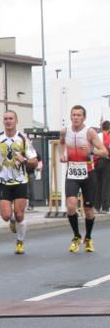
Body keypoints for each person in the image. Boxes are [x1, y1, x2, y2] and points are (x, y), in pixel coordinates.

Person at [0, 110, 38, 255]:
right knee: (6, 216)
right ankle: (12, 220)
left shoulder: (23, 139)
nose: (8, 121)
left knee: (20, 214)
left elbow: (35, 161)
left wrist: (26, 160)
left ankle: (20, 242)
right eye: (6, 119)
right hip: (3, 181)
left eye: (11, 119)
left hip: (20, 180)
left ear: (16, 121)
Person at [60, 105, 108, 253]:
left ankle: (88, 237)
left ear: (84, 118)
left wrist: (92, 151)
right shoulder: (65, 131)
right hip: (72, 173)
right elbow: (61, 143)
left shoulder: (90, 132)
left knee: (88, 210)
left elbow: (104, 151)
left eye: (79, 115)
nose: (76, 117)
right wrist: (62, 154)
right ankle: (76, 236)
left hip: (88, 173)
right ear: (70, 116)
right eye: (73, 115)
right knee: (71, 205)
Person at [94, 120, 110, 213]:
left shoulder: (97, 136)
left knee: (98, 184)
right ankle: (105, 207)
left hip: (97, 162)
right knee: (106, 185)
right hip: (106, 161)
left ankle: (96, 206)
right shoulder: (108, 137)